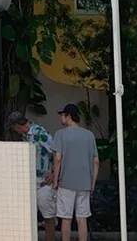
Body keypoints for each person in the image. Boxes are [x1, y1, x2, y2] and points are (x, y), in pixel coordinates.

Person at [52, 103, 99, 241]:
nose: (61, 117)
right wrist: (92, 183)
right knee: (81, 218)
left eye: (62, 115)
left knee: (66, 219)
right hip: (84, 184)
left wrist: (55, 180)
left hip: (66, 183)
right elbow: (96, 161)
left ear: (68, 116)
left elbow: (58, 158)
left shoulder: (60, 134)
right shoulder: (89, 135)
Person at [8, 112, 58, 241]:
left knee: (48, 216)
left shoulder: (40, 133)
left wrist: (54, 173)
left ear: (18, 126)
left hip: (43, 183)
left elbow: (57, 152)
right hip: (31, 182)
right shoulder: (26, 136)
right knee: (29, 217)